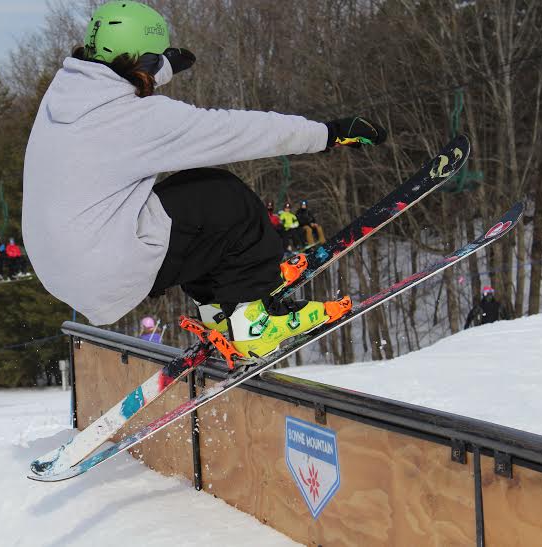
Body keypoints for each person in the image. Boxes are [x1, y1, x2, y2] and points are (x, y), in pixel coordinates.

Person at [23, 1, 386, 360]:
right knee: (223, 197)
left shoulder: (65, 96)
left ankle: (218, 309)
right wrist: (327, 134)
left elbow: (118, 74)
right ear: (143, 64)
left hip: (64, 268)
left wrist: (161, 65)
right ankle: (253, 322)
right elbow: (238, 131)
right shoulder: (135, 119)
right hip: (106, 269)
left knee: (186, 203)